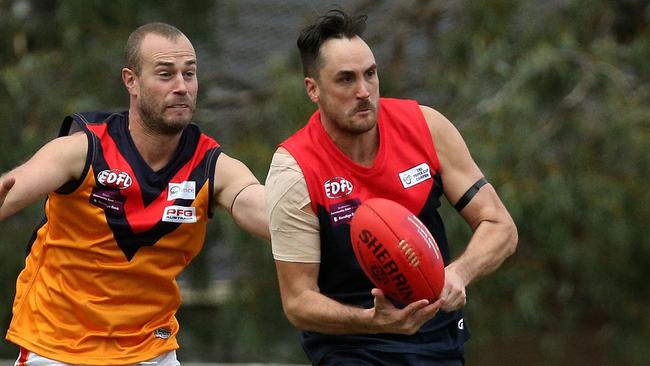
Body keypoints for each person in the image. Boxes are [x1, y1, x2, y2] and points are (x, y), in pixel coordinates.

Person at [0, 22, 268, 365]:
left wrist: (312, 219)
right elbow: (14, 188)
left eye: (189, 74)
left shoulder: (210, 164)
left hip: (150, 348)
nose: (182, 87)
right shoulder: (83, 150)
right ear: (132, 81)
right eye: (165, 74)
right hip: (58, 345)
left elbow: (260, 206)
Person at [265, 9, 518, 365]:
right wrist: (372, 321)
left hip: (439, 341)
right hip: (353, 350)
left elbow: (500, 225)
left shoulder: (426, 128)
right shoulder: (294, 169)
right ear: (313, 90)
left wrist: (459, 272)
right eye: (346, 80)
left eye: (370, 74)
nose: (364, 91)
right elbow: (298, 302)